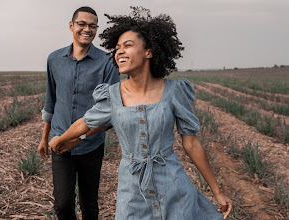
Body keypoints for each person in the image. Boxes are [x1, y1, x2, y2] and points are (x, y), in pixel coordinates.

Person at [49, 6, 232, 220]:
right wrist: (60, 140)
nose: (119, 52)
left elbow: (191, 144)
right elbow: (85, 123)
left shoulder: (174, 91)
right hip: (132, 193)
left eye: (128, 46)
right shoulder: (112, 95)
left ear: (149, 52)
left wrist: (217, 192)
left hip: (172, 186)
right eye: (117, 48)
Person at [38, 6, 120, 220]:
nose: (87, 29)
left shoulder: (107, 63)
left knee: (89, 205)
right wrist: (44, 137)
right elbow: (51, 100)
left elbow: (109, 114)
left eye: (92, 26)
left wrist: (80, 137)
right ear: (71, 26)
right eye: (82, 24)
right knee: (63, 205)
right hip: (59, 142)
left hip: (91, 145)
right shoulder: (54, 59)